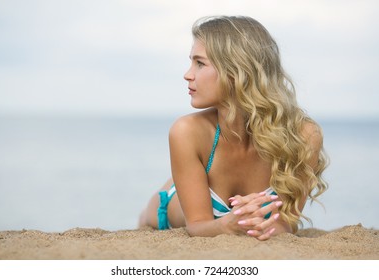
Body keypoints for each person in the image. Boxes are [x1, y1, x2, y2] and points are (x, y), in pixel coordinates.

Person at [139, 15, 328, 241]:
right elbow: (196, 226)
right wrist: (228, 224)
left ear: (236, 71)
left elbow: (287, 224)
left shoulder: (304, 137)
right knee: (144, 219)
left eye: (199, 63)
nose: (187, 74)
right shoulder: (187, 131)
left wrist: (256, 223)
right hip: (173, 203)